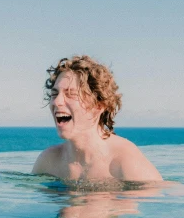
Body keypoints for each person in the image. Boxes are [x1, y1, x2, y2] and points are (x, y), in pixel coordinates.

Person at [32, 55, 163, 182]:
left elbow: (165, 194)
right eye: (54, 94)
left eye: (70, 94)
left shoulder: (124, 162)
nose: (57, 101)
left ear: (99, 105)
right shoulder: (49, 162)